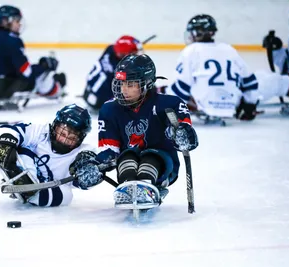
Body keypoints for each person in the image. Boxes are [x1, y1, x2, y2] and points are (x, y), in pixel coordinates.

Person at [69, 54, 199, 207]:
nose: (123, 89)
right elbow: (111, 150)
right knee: (127, 157)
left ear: (147, 83)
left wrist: (182, 134)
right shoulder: (109, 109)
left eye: (130, 84)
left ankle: (147, 186)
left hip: (164, 163)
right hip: (127, 158)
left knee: (150, 157)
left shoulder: (171, 104)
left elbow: (189, 139)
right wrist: (96, 164)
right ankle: (128, 186)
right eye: (121, 83)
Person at [165, 14, 289, 121]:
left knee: (164, 90)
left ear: (196, 33)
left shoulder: (190, 51)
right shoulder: (229, 49)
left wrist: (168, 106)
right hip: (232, 104)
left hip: (202, 105)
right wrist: (249, 105)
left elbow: (181, 88)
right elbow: (249, 81)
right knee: (263, 76)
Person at [0, 103, 105, 207]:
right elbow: (9, 130)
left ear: (80, 139)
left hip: (51, 187)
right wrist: (5, 144)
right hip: (25, 168)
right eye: (62, 133)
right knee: (22, 148)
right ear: (54, 126)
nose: (64, 140)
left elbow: (95, 169)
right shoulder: (41, 132)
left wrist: (91, 174)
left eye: (71, 138)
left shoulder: (84, 151)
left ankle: (29, 193)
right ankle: (18, 177)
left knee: (67, 197)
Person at [0, 5, 66, 110]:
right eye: (17, 21)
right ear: (5, 21)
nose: (20, 24)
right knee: (41, 77)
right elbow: (27, 73)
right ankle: (57, 89)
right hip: (3, 89)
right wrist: (44, 67)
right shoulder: (13, 40)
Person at [82, 35, 143, 112]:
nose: (137, 54)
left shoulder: (110, 49)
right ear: (124, 54)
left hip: (88, 91)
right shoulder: (120, 70)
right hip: (99, 102)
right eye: (135, 52)